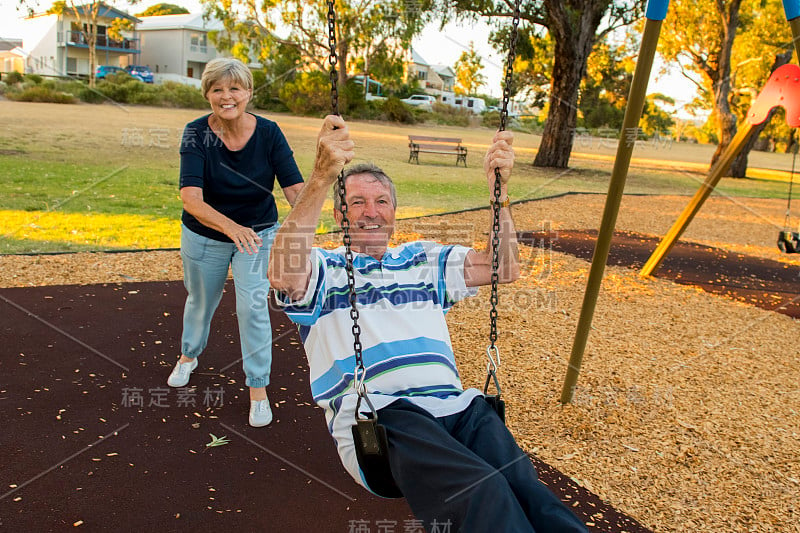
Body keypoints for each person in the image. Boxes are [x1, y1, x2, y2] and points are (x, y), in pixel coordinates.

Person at [267, 115, 587, 532]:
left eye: (381, 201)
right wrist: (322, 177)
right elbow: (284, 272)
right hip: (380, 418)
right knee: (482, 491)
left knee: (532, 494)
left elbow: (503, 266)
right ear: (339, 212)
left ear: (395, 212)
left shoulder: (421, 258)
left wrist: (499, 191)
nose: (371, 212)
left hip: (456, 409)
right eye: (357, 202)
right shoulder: (323, 268)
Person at [166, 58, 304, 428]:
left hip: (258, 233)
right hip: (206, 233)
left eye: (235, 88)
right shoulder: (197, 133)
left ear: (248, 92)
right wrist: (231, 228)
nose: (227, 97)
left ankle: (258, 388)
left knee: (253, 308)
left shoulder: (269, 133)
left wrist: (310, 221)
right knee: (201, 301)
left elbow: (294, 188)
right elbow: (191, 198)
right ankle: (189, 355)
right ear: (207, 94)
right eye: (217, 89)